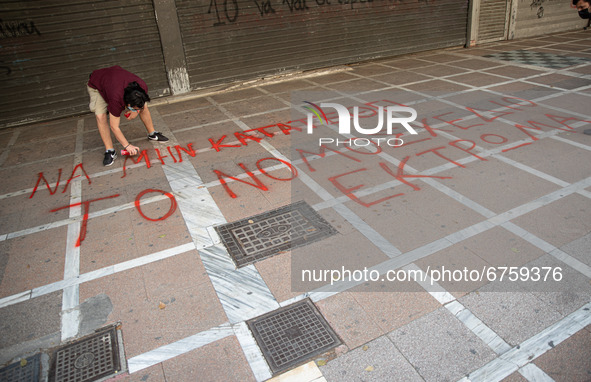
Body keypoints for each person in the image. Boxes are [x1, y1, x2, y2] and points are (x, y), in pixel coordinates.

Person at [87, 66, 169, 166]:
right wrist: (127, 146)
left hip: (114, 79)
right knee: (101, 117)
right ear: (127, 104)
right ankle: (110, 151)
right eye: (133, 108)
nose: (136, 109)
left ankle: (152, 133)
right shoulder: (116, 99)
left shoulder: (142, 87)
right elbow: (114, 126)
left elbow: (141, 105)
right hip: (97, 84)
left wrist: (137, 111)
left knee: (144, 108)